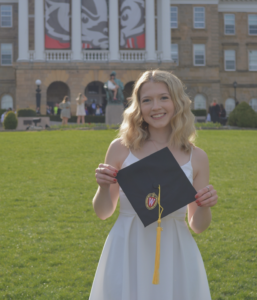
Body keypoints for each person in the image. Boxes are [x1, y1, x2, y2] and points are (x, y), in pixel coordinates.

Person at [90, 70, 218, 300]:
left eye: (164, 98)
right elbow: (103, 212)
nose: (155, 106)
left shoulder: (196, 157)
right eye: (146, 100)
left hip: (175, 251)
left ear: (177, 102)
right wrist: (102, 187)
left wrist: (205, 205)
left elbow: (197, 225)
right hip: (127, 248)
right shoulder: (121, 148)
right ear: (138, 106)